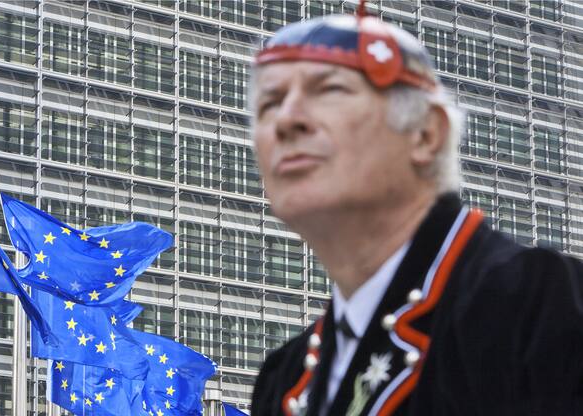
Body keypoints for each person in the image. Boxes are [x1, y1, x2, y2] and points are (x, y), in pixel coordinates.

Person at [249, 5, 583, 416]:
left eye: (330, 90)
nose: (286, 120)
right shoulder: (284, 377)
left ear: (426, 133)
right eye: (269, 103)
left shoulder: (542, 302)